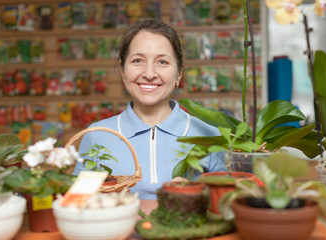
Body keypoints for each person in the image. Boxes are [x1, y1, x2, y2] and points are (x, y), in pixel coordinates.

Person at [73, 18, 226, 199]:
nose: (149, 74)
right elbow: (78, 204)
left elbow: (222, 205)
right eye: (138, 60)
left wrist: (198, 193)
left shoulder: (209, 135)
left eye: (162, 62)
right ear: (123, 72)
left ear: (178, 75)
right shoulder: (96, 135)